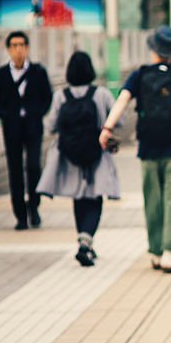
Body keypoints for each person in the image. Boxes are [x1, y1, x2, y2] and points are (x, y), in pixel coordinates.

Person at [99, 26, 171, 273]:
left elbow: (122, 101)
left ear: (153, 49)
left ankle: (156, 252)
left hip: (148, 147)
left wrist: (107, 129)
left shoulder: (140, 75)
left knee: (153, 199)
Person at [36, 51, 121, 266]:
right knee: (94, 198)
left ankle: (85, 241)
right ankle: (86, 241)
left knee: (78, 198)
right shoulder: (100, 94)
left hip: (70, 155)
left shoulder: (60, 96)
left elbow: (50, 125)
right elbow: (118, 119)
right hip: (96, 153)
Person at [0, 30, 53, 230]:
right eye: (14, 46)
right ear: (8, 49)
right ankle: (20, 215)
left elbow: (47, 96)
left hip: (33, 127)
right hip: (12, 128)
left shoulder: (38, 72)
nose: (18, 50)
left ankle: (34, 207)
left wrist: (37, 113)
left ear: (27, 48)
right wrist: (6, 115)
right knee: (15, 170)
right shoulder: (1, 75)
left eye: (21, 45)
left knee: (33, 166)